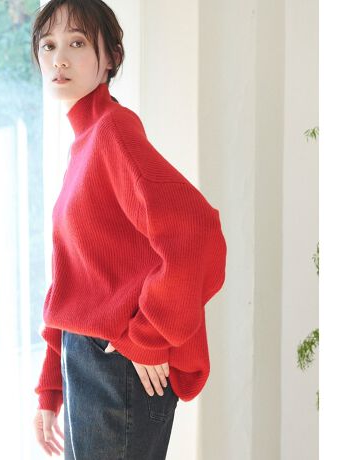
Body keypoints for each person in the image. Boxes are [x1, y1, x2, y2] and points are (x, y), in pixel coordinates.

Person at [30, 1, 227, 458]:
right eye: (48, 45)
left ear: (111, 57)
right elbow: (78, 278)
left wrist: (149, 337)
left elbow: (196, 233)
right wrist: (51, 384)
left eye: (77, 43)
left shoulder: (112, 132)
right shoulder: (85, 141)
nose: (59, 59)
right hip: (90, 359)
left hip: (114, 364)